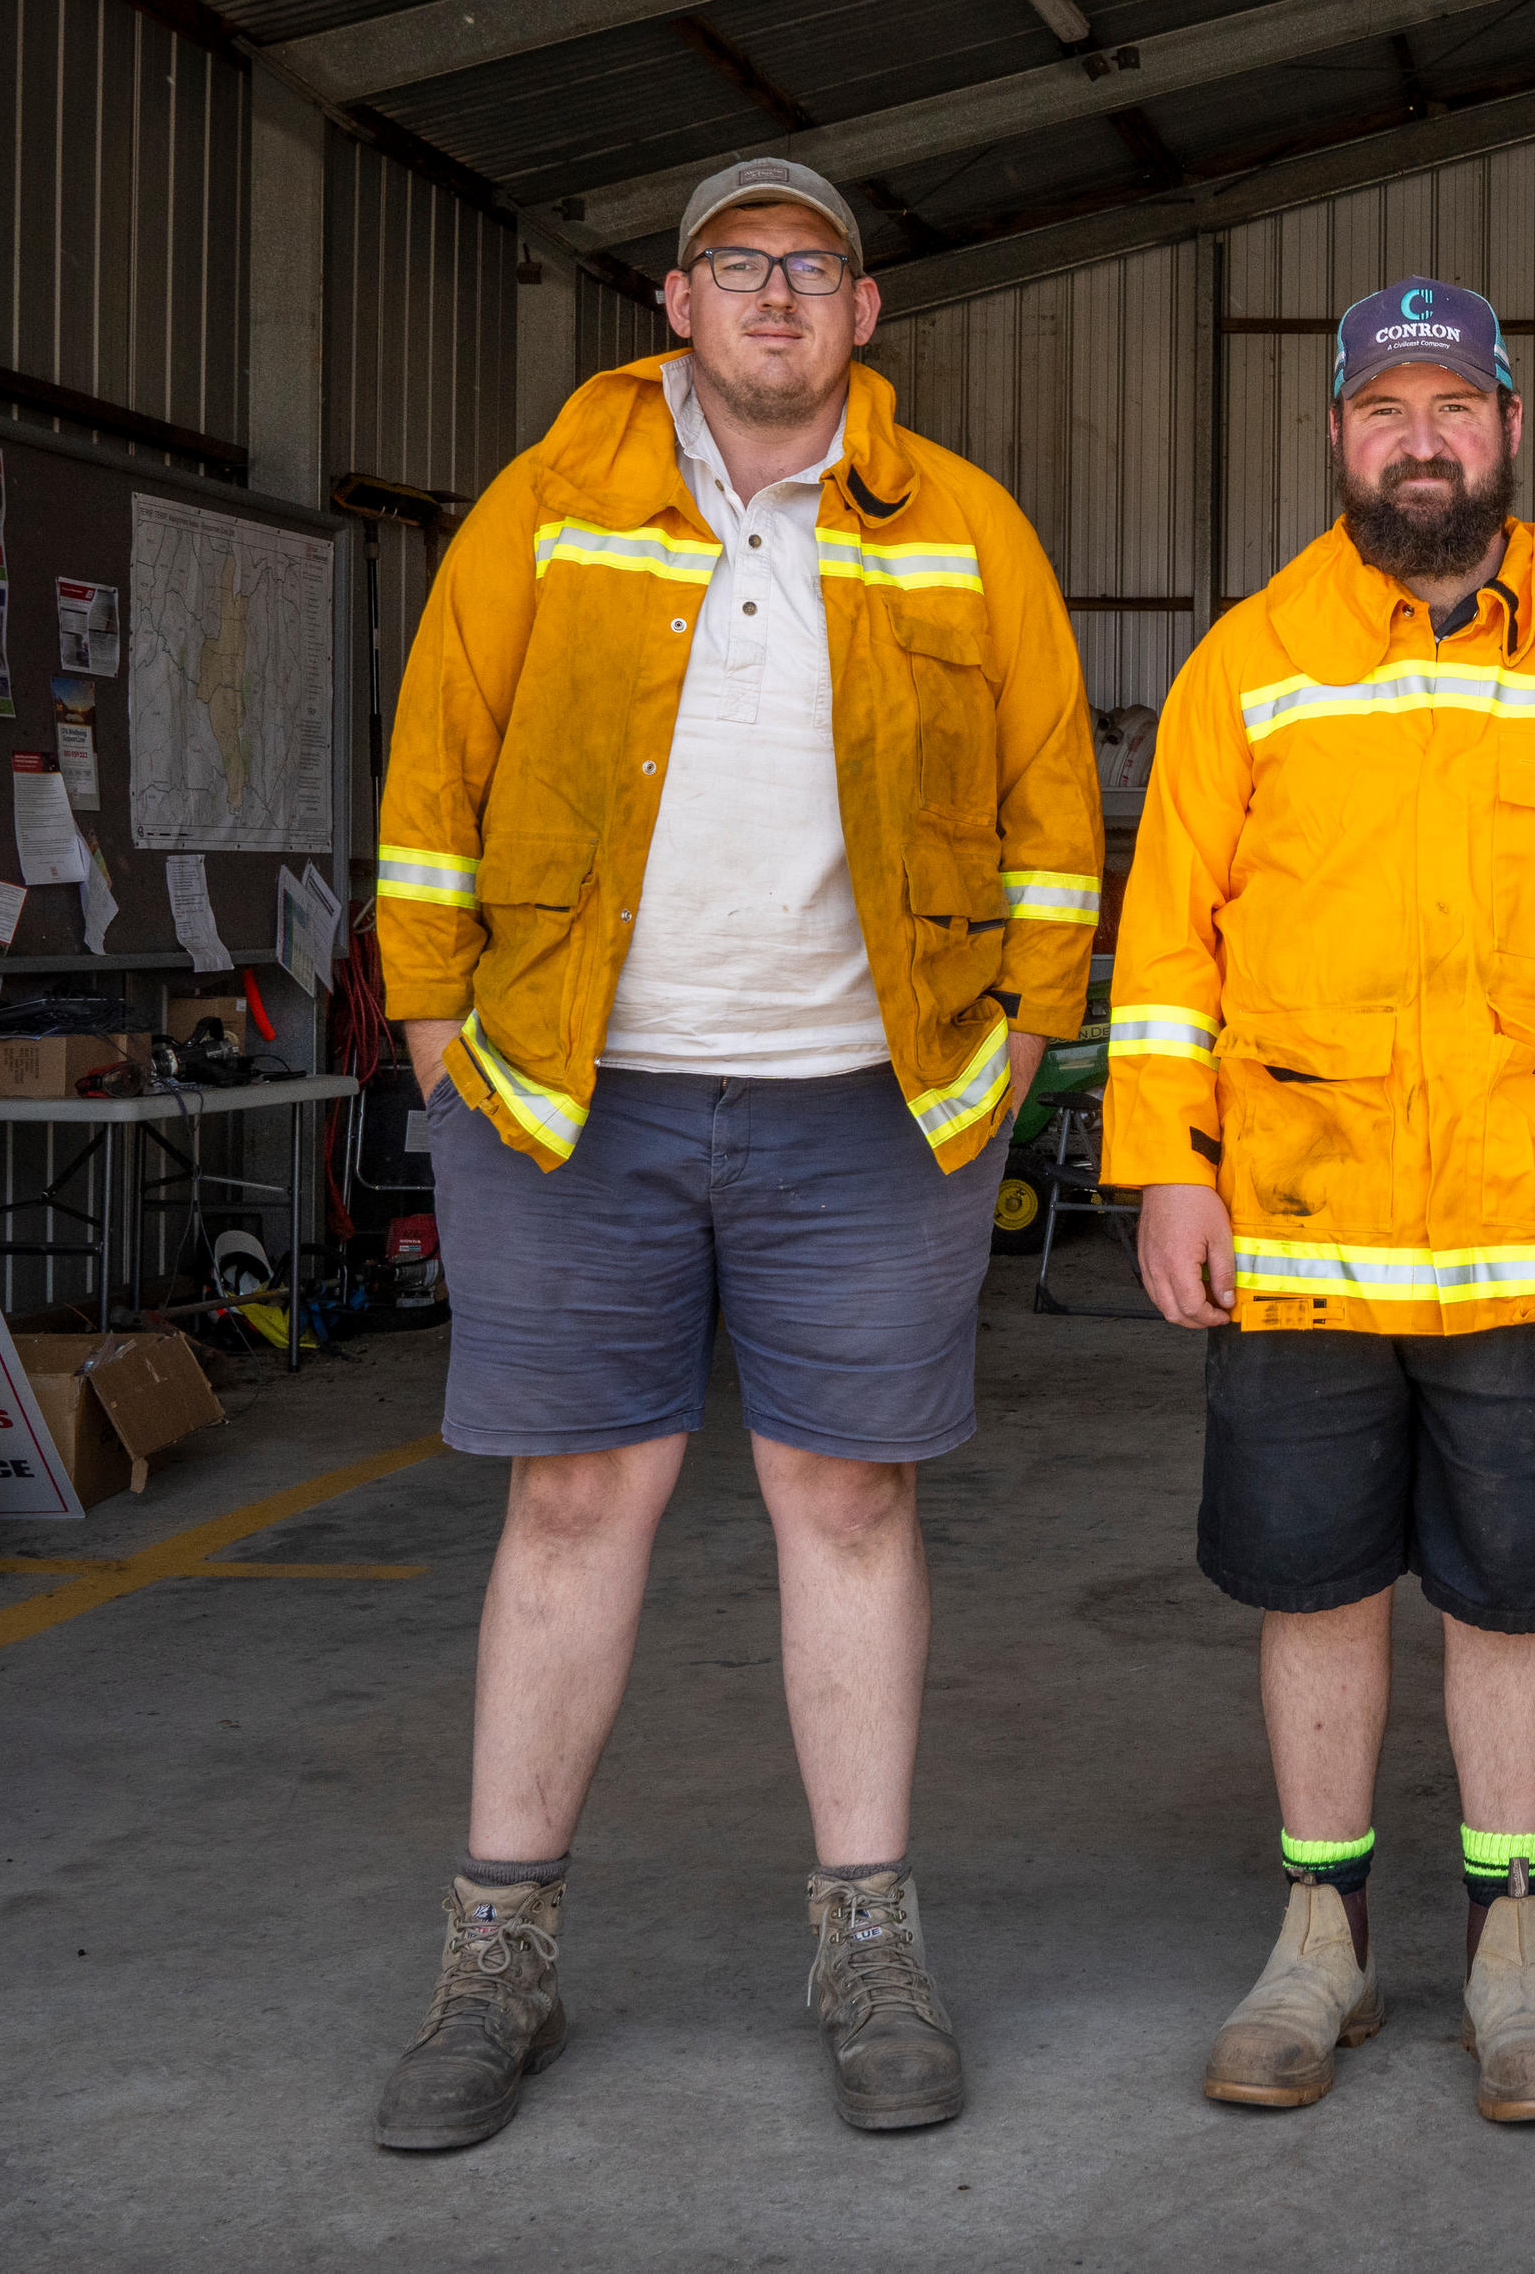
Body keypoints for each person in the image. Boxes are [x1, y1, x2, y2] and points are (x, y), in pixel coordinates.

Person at [366, 157, 1102, 2152]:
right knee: (576, 1502)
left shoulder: (964, 530)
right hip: (566, 1096)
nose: (778, 298)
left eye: (815, 270)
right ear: (677, 305)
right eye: (739, 268)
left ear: (865, 318)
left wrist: (1029, 1031)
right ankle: (493, 1952)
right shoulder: (548, 506)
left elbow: (1051, 788)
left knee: (846, 1501)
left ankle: (868, 1940)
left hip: (870, 1102)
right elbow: (436, 757)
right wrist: (434, 1019)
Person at [1103, 274, 1535, 2125]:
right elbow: (1168, 945)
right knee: (1314, 1588)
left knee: (1513, 1594)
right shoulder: (1250, 660)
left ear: (1512, 432)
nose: (1425, 438)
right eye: (1391, 410)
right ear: (1341, 438)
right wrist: (1161, 1168)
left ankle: (1513, 1944)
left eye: (1458, 406)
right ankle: (1323, 1940)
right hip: (1294, 1223)